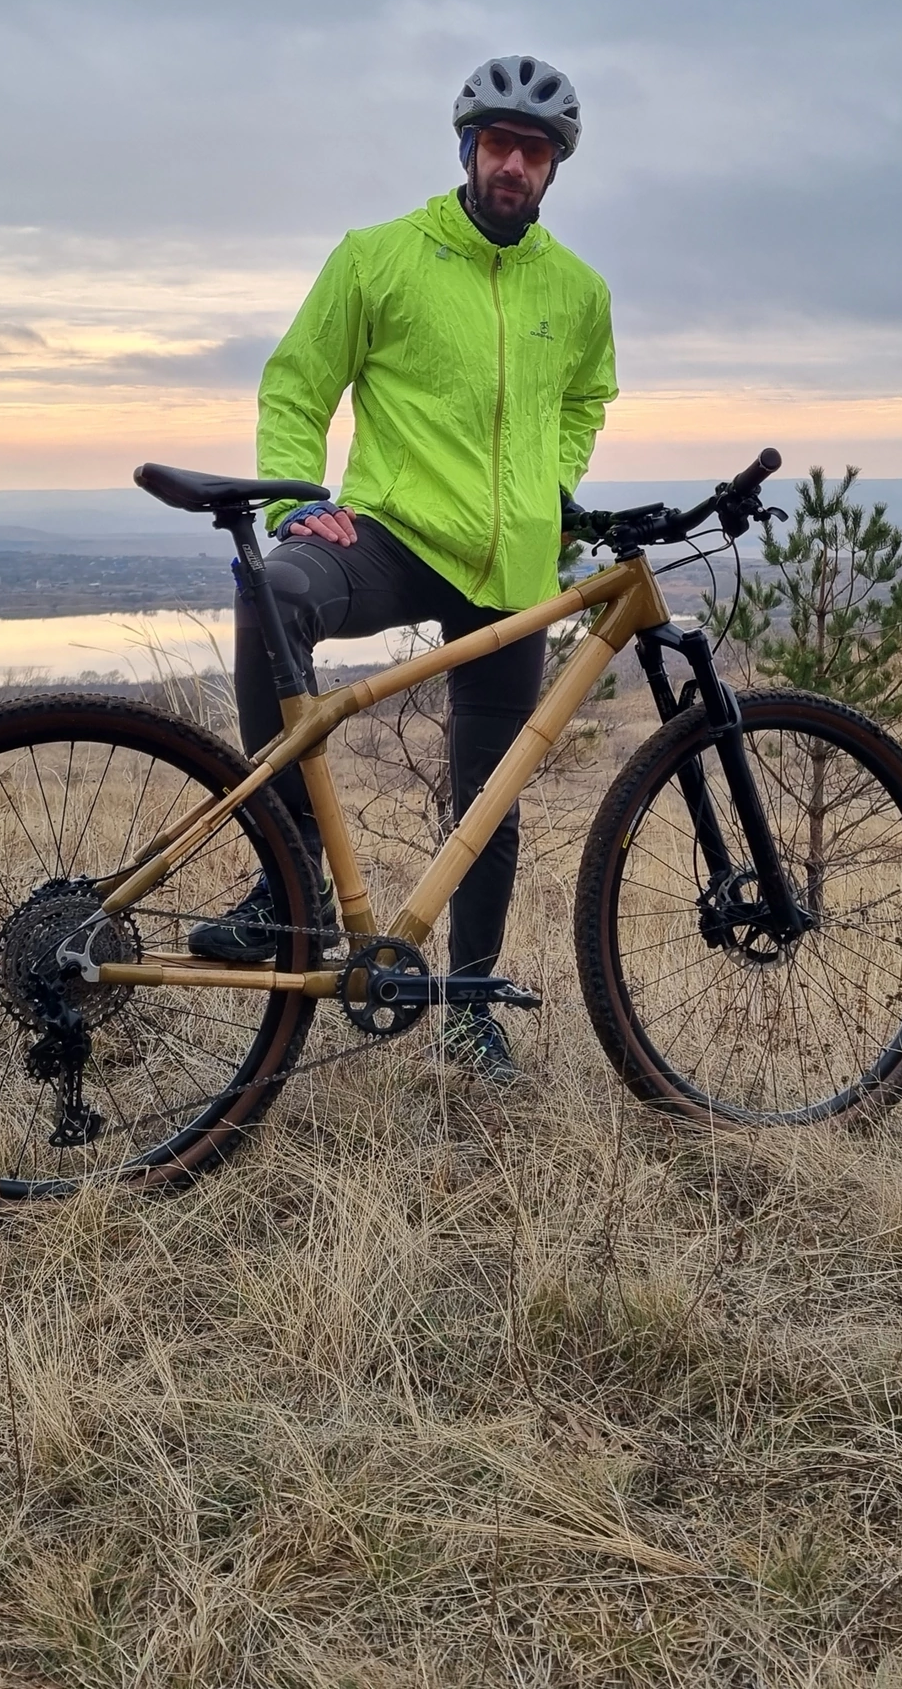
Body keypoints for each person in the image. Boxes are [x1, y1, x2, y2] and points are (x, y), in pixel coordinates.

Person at [190, 54, 618, 1082]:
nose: (513, 164)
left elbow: (584, 398)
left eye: (534, 150)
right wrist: (296, 505)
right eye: (498, 143)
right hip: (389, 535)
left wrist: (554, 490)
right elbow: (297, 384)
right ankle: (287, 878)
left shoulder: (578, 290)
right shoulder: (377, 257)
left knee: (488, 805)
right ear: (467, 148)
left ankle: (468, 1008)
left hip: (511, 567)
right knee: (275, 591)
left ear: (554, 166)